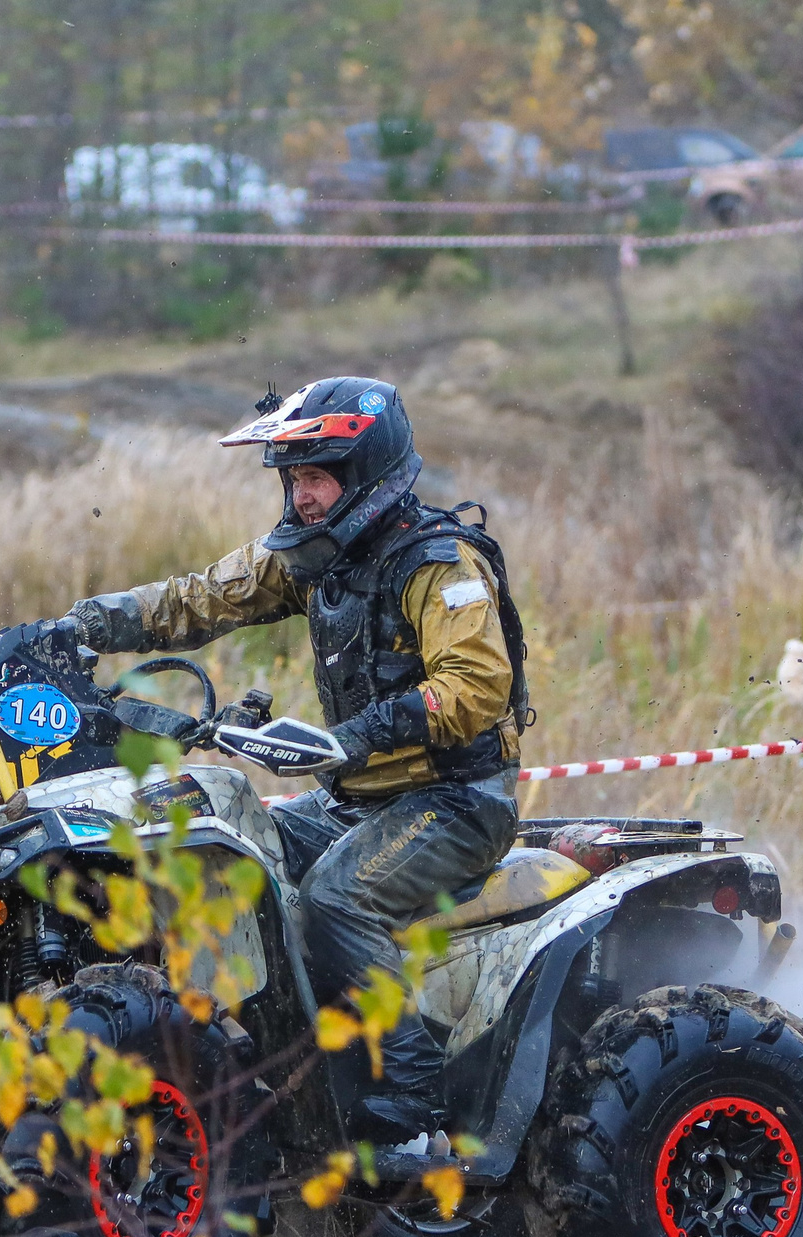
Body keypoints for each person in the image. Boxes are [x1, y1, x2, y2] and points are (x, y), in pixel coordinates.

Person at [55, 376, 529, 1150]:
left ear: (366, 472)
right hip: (358, 801)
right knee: (231, 861)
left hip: (455, 799)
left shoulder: (440, 565)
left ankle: (411, 1093)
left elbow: (476, 688)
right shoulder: (316, 556)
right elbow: (201, 598)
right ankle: (272, 1068)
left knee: (336, 901)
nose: (302, 497)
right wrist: (78, 626)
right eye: (294, 479)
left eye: (315, 477)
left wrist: (354, 737)